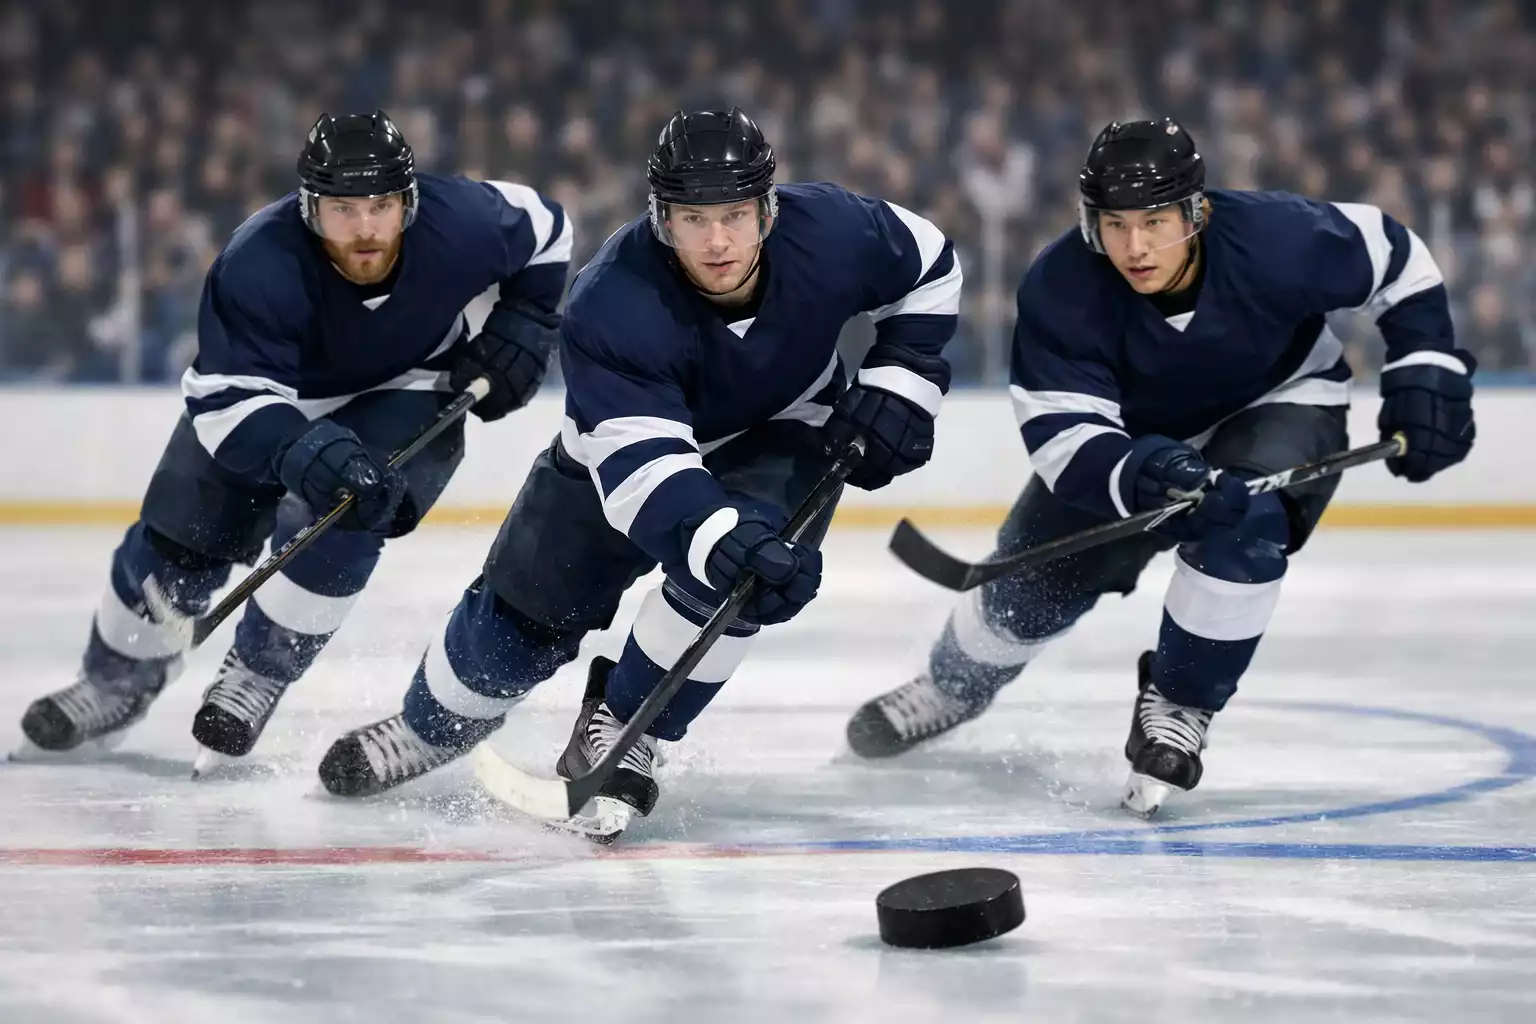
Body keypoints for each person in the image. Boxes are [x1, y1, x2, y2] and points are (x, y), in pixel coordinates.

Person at [317, 107, 962, 840]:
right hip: (614, 462)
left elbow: (933, 265)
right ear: (661, 219)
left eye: (735, 215)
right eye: (693, 218)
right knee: (514, 631)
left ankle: (626, 722)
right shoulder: (610, 304)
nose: (718, 241)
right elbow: (644, 469)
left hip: (786, 428)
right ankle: (429, 728)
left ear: (768, 209)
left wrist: (902, 380)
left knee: (750, 575)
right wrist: (718, 534)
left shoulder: (837, 232)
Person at [845, 118, 1476, 817]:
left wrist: (1426, 363)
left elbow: (1396, 257)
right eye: (1114, 224)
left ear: (1196, 211)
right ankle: (952, 687)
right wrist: (1146, 475)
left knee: (1246, 528)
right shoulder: (1062, 287)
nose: (1135, 247)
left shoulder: (1276, 238)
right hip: (1131, 438)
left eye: (1155, 221)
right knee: (1029, 588)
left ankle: (1179, 705)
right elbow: (1064, 437)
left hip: (1278, 400)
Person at [16, 111, 572, 770]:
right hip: (270, 399)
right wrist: (301, 447)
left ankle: (260, 670)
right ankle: (115, 680)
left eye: (382, 205)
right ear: (310, 207)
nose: (366, 228)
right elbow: (226, 398)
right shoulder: (257, 261)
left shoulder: (463, 221)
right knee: (180, 538)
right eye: (343, 208)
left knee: (353, 510)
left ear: (408, 200)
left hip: (411, 385)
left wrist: (526, 322)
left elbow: (548, 230)